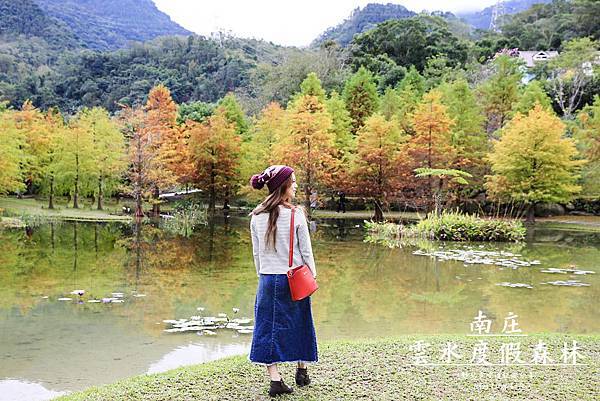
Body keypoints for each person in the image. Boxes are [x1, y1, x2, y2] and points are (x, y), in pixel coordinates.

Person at [248, 165, 318, 397]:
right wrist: (312, 275)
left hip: (267, 279)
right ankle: (301, 369)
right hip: (294, 277)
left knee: (267, 327)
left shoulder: (256, 216)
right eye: (294, 182)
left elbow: (257, 254)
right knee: (299, 323)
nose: (296, 185)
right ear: (284, 186)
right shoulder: (296, 214)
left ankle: (275, 380)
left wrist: (264, 275)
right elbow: (306, 251)